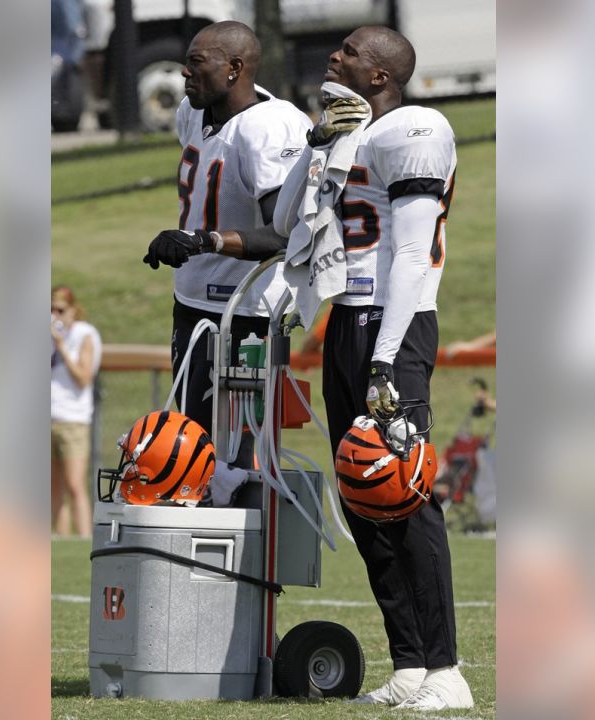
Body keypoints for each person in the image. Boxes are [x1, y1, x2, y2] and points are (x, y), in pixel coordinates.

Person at [208, 26, 471, 710]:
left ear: (382, 75)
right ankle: (409, 663)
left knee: (404, 494)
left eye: (351, 52)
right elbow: (292, 218)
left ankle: (445, 670)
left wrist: (385, 362)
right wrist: (319, 145)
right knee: (363, 496)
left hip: (395, 324)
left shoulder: (417, 126)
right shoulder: (345, 132)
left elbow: (413, 256)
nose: (335, 56)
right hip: (345, 321)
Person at [141, 21, 312, 438]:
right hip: (192, 300)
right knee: (193, 440)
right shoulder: (193, 111)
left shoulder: (267, 127)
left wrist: (204, 241)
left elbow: (286, 234)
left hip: (243, 312)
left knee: (232, 453)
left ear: (234, 68)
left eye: (197, 63)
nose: (185, 73)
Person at [50, 285, 101, 538]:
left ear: (73, 310)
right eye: (50, 310)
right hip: (49, 417)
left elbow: (83, 377)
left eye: (60, 310)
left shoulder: (84, 334)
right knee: (53, 488)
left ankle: (83, 540)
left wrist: (61, 346)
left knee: (74, 485)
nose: (55, 316)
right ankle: (61, 541)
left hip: (73, 420)